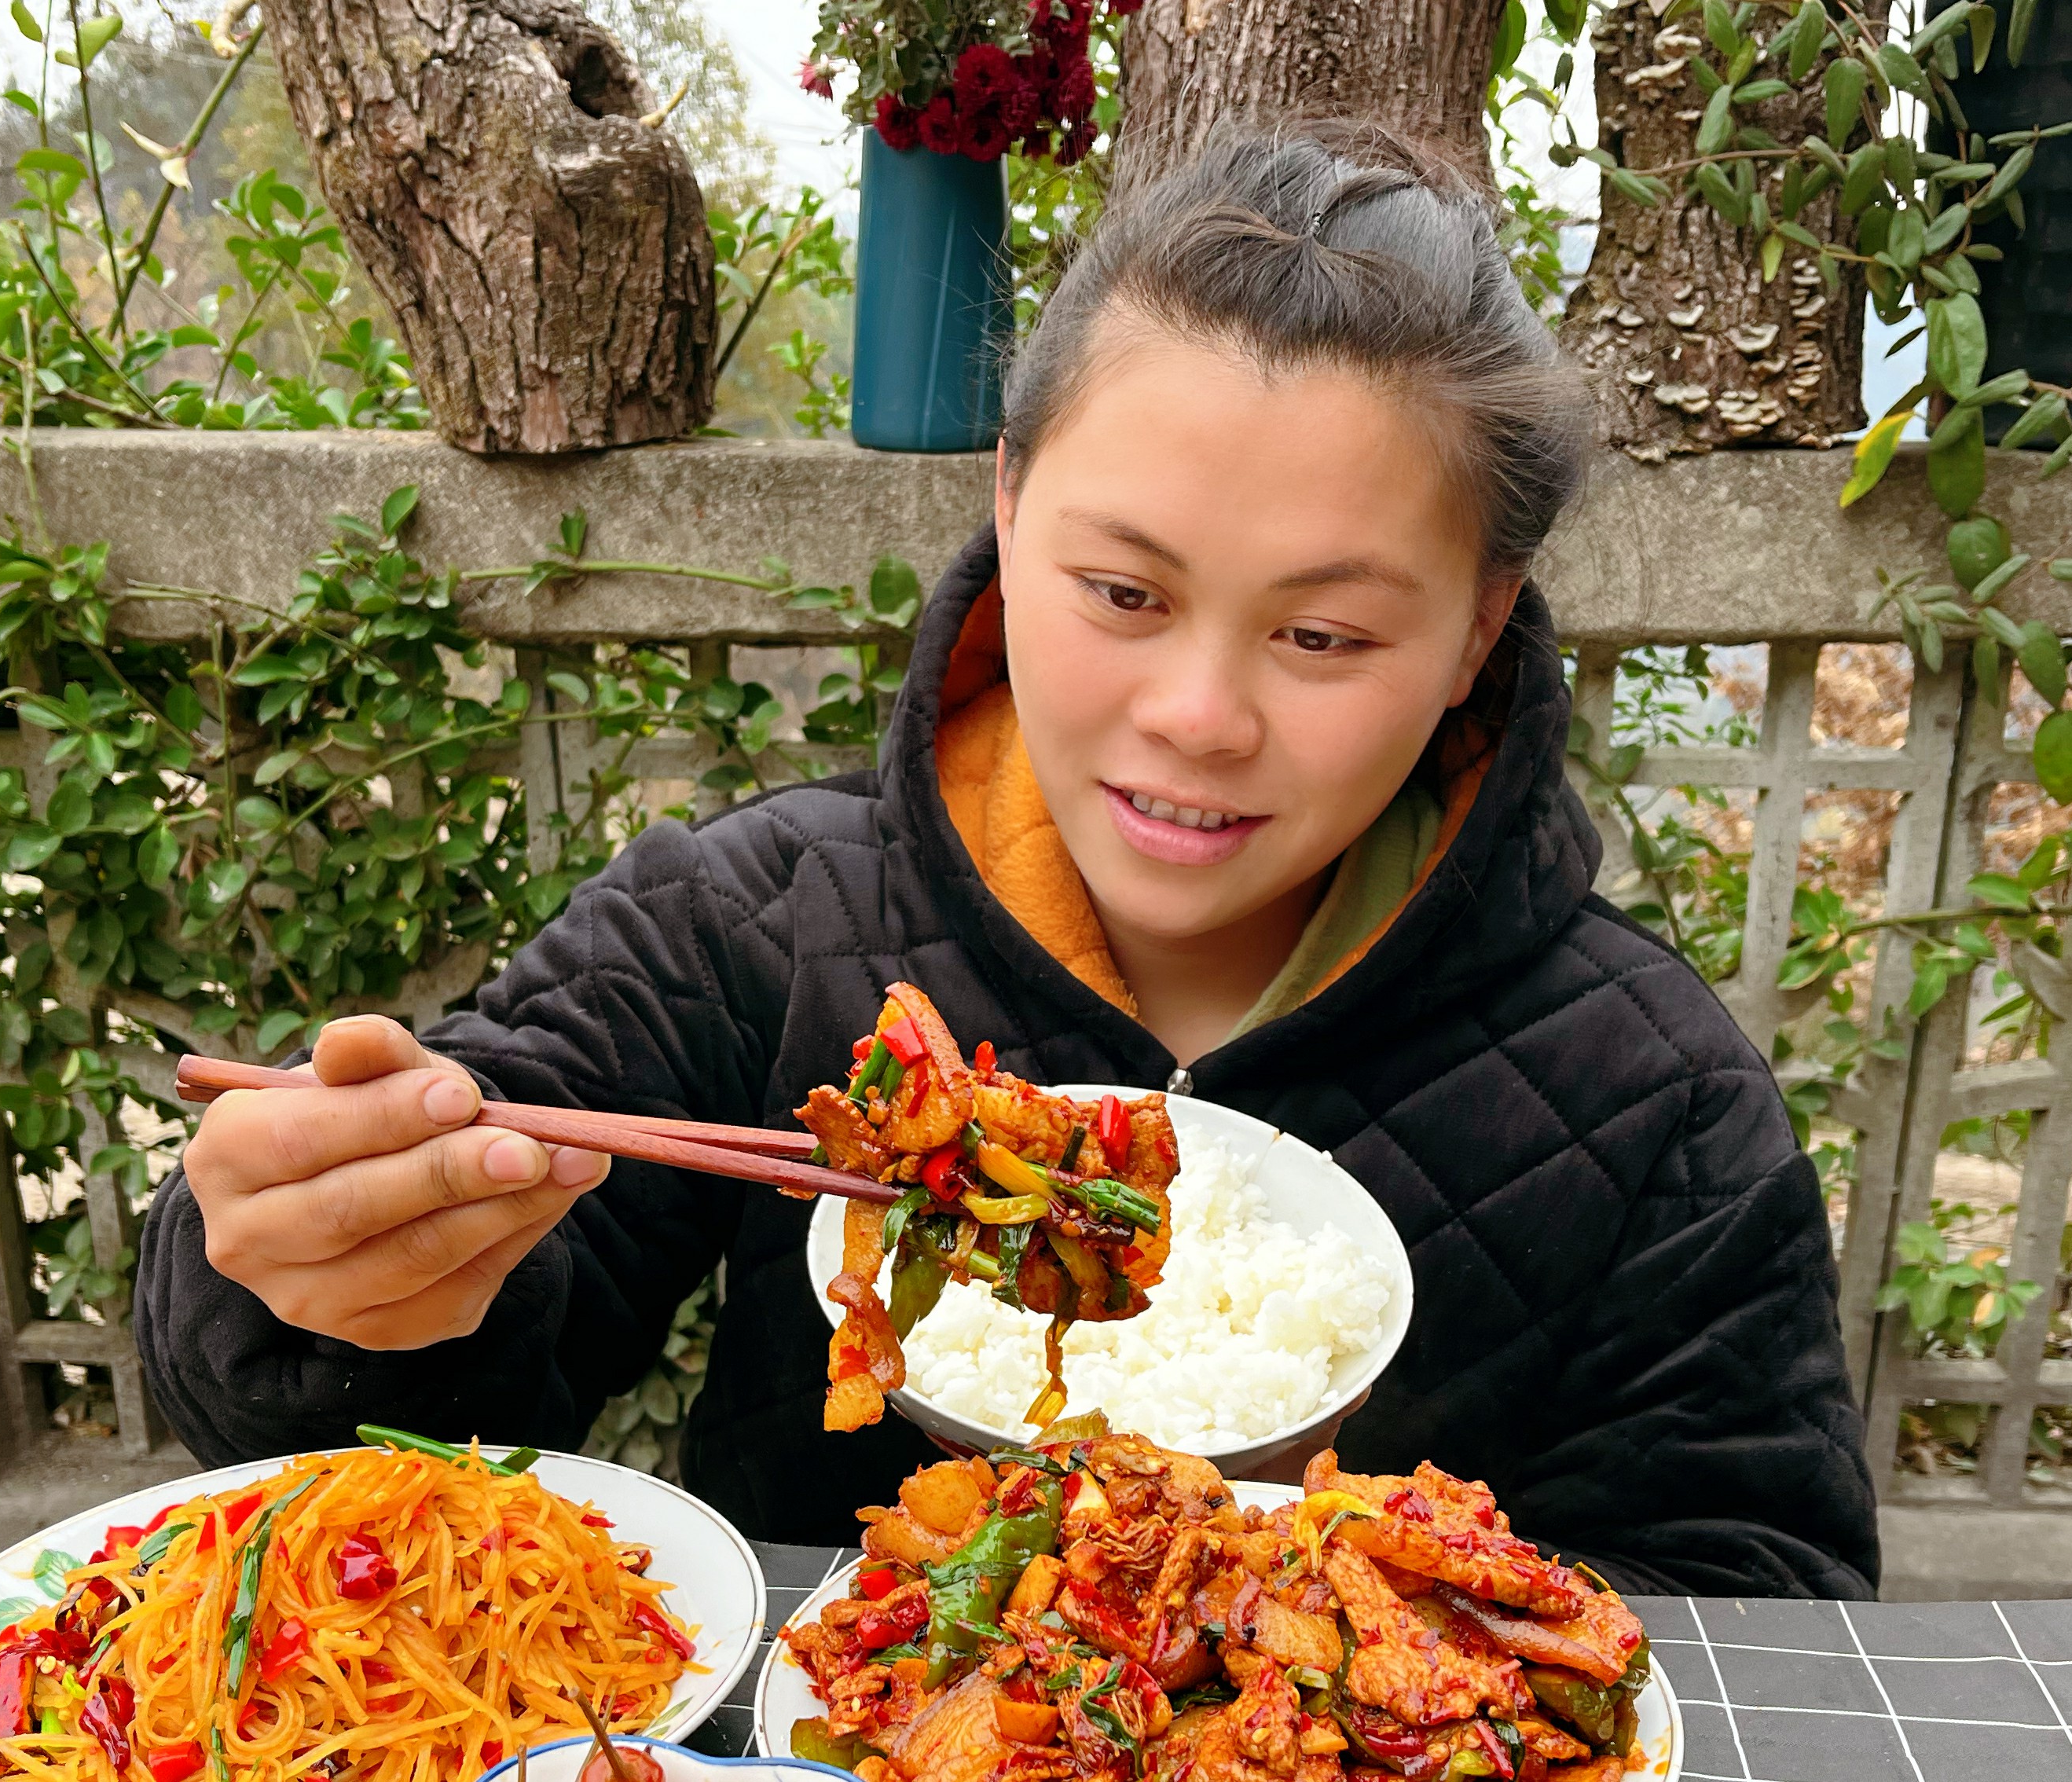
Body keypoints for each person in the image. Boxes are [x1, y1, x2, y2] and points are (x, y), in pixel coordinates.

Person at [137, 120, 1876, 1598]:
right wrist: (329, 1273)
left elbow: (1756, 1614)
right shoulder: (749, 924)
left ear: (1481, 627)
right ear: (1008, 505)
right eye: (1123, 593)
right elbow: (377, 1399)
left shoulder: (1659, 1105)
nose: (1199, 715)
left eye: (1327, 637)